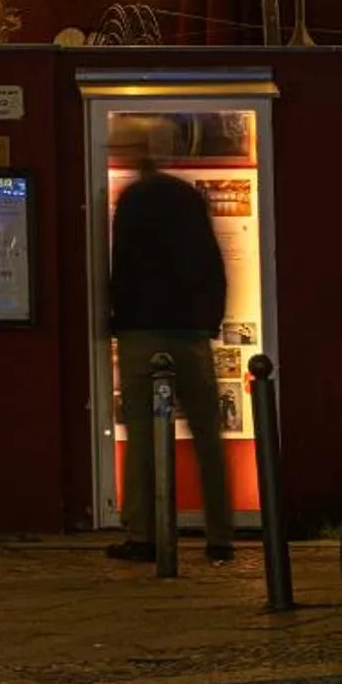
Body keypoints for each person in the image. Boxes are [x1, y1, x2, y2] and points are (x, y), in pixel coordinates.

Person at [107, 123, 234, 563]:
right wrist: (210, 319)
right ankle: (220, 534)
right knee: (207, 434)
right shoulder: (187, 198)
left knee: (142, 433)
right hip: (191, 332)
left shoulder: (132, 201)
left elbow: (119, 266)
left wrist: (116, 320)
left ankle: (143, 534)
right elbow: (212, 261)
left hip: (142, 330)